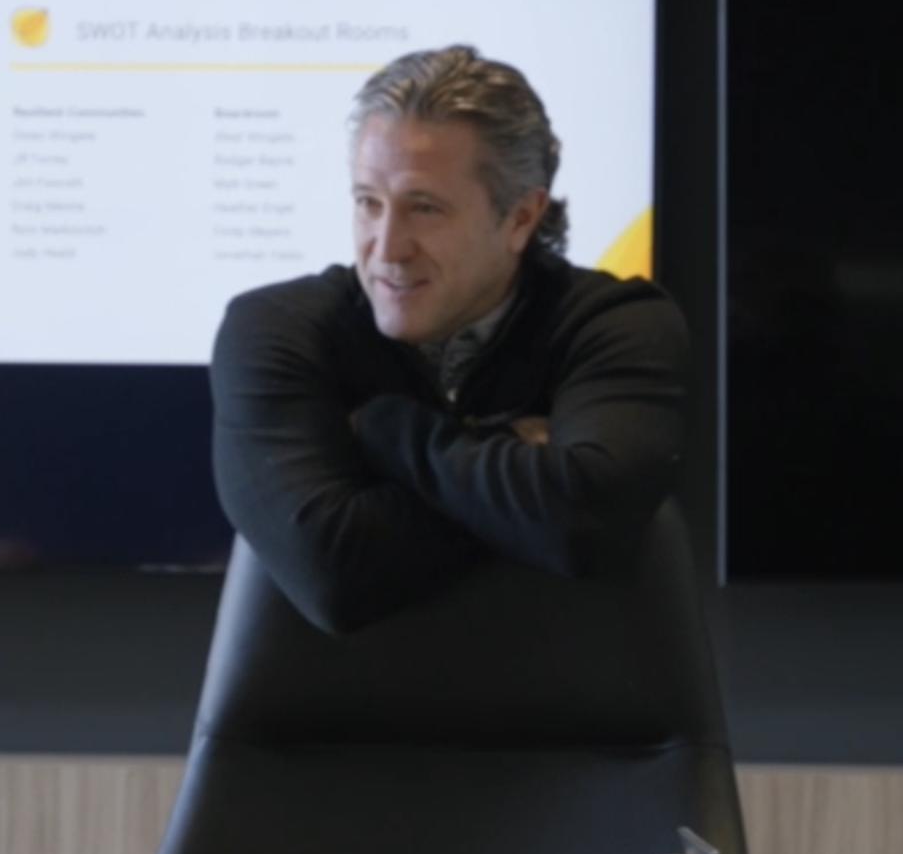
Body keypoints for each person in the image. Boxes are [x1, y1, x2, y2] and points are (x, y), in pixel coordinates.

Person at [209, 44, 687, 633]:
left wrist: (390, 431)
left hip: (566, 713)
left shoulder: (615, 323)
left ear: (520, 219)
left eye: (425, 208)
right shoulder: (277, 329)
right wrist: (512, 452)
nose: (385, 249)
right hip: (344, 718)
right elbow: (330, 572)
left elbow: (583, 524)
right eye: (368, 203)